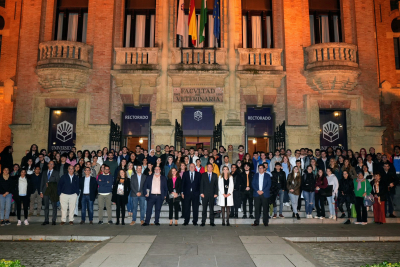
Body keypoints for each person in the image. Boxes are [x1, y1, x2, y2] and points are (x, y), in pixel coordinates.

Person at [40, 161, 60, 225]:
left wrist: (51, 184)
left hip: (53, 192)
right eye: (50, 164)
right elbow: (42, 182)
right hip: (45, 191)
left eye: (52, 164)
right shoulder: (44, 172)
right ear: (48, 165)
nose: (51, 165)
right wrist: (41, 192)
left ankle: (53, 220)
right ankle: (46, 220)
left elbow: (58, 183)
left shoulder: (56, 173)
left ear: (54, 165)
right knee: (46, 206)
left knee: (54, 206)